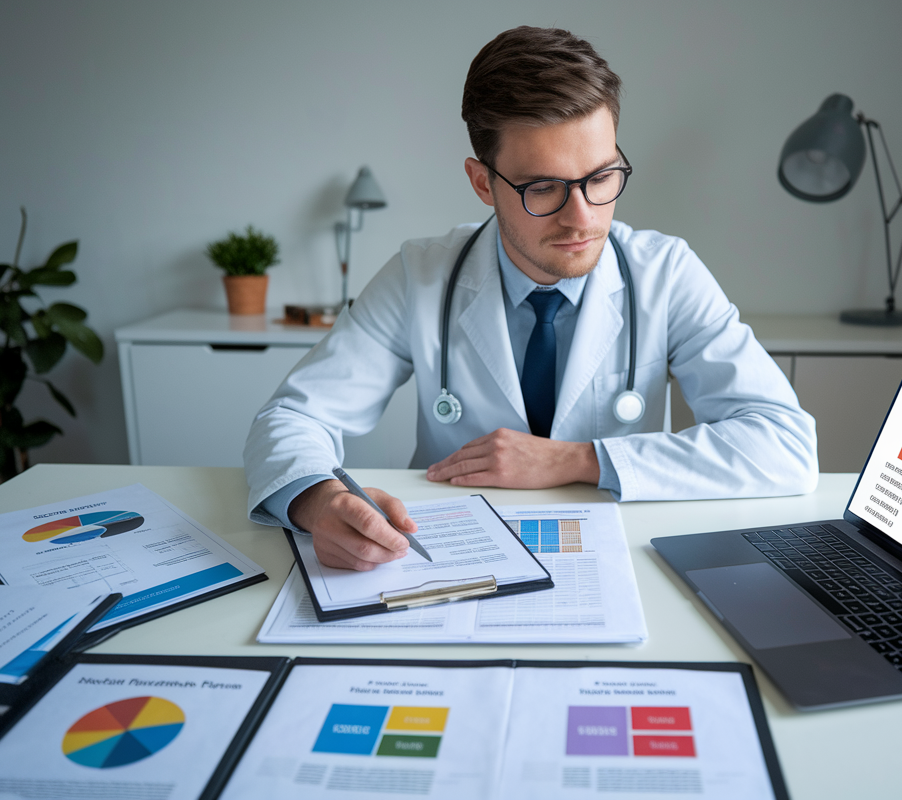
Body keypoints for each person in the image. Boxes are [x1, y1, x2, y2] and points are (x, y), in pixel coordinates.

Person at [244, 26, 817, 570]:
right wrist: (316, 500)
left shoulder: (665, 272)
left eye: (601, 177)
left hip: (621, 554)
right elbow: (295, 416)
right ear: (481, 182)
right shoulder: (421, 274)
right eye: (543, 187)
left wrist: (577, 460)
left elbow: (784, 445)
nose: (583, 217)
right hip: (449, 558)